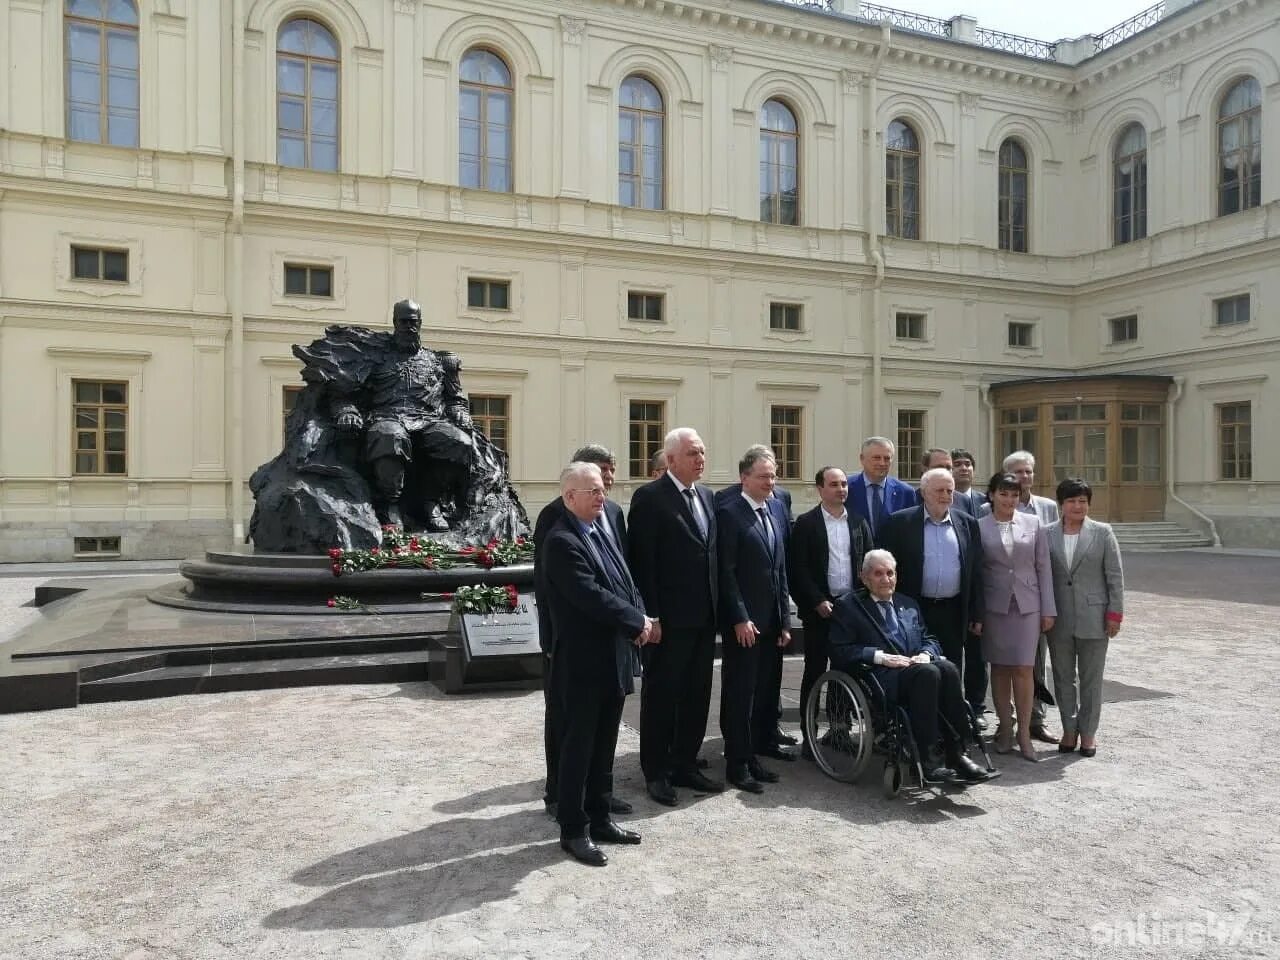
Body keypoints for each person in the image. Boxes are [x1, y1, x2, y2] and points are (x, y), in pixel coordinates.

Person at [541, 462, 654, 866]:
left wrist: (640, 618)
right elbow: (589, 596)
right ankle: (573, 829)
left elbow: (626, 582)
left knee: (605, 744)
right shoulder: (561, 540)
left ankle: (600, 815)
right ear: (569, 497)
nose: (601, 494)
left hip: (614, 656)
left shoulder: (600, 531)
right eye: (591, 490)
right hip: (584, 662)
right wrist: (637, 621)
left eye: (600, 489)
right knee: (578, 749)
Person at [828, 550, 995, 785]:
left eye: (890, 573)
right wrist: (879, 657)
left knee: (946, 668)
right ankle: (927, 758)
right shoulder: (849, 606)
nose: (886, 579)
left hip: (917, 670)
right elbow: (839, 650)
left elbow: (929, 638)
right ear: (864, 578)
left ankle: (957, 753)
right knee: (929, 674)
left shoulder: (908, 604)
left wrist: (926, 654)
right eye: (878, 574)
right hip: (881, 678)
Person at [533, 445, 632, 819]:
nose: (605, 483)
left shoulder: (611, 517)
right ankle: (561, 797)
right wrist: (549, 638)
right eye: (598, 476)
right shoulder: (556, 523)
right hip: (572, 643)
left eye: (608, 474)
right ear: (572, 491)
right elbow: (553, 585)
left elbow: (623, 574)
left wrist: (634, 618)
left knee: (604, 733)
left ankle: (598, 803)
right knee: (570, 728)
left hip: (613, 643)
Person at [627, 428, 722, 806]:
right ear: (670, 460)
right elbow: (643, 564)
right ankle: (656, 771)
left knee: (697, 694)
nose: (701, 459)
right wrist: (650, 617)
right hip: (668, 621)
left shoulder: (708, 497)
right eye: (693, 453)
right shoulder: (650, 498)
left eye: (702, 452)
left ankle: (685, 762)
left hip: (704, 617)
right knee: (662, 696)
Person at [877, 467, 985, 724]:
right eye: (939, 490)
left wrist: (977, 611)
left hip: (953, 609)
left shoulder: (967, 523)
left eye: (950, 490)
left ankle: (949, 725)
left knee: (950, 668)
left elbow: (977, 571)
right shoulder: (899, 522)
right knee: (916, 668)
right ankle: (915, 724)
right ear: (924, 492)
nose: (946, 495)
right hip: (913, 610)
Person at [716, 447, 793, 793]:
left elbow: (780, 570)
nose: (770, 482)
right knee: (740, 694)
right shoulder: (730, 515)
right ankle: (737, 762)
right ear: (744, 478)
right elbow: (726, 573)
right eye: (763, 476)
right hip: (744, 624)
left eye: (773, 476)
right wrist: (739, 617)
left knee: (765, 691)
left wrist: (785, 621)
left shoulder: (775, 509)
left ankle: (757, 751)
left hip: (771, 622)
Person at [788, 467, 874, 760]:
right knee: (814, 670)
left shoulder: (859, 522)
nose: (841, 489)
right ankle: (808, 732)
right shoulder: (806, 523)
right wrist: (816, 601)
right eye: (834, 485)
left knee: (845, 670)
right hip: (819, 612)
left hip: (851, 611)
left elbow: (868, 564)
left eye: (843, 485)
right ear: (820, 489)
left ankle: (839, 729)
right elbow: (798, 570)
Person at [982, 450, 1060, 744]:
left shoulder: (1034, 523)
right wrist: (978, 614)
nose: (1009, 499)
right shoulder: (978, 526)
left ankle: (1027, 732)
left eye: (1014, 495)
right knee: (1000, 668)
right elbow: (979, 572)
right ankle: (1004, 728)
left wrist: (1048, 610)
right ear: (992, 495)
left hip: (1028, 607)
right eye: (1003, 494)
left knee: (1026, 668)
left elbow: (1044, 568)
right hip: (995, 607)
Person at [1045, 477, 1124, 758]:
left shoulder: (1103, 533)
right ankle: (1069, 728)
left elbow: (1114, 576)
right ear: (1061, 505)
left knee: (1091, 679)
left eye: (1082, 501)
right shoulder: (1047, 534)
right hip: (1058, 619)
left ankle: (1088, 733)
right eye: (1071, 501)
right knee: (1063, 678)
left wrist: (1115, 614)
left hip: (1095, 616)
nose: (1077, 506)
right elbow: (1044, 577)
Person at [847, 436, 916, 537]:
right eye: (877, 458)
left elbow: (912, 530)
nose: (882, 463)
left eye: (887, 458)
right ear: (862, 459)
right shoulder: (846, 488)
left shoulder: (905, 492)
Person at [950, 448, 987, 516]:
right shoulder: (943, 500)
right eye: (957, 464)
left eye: (967, 464)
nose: (964, 468)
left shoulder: (985, 501)